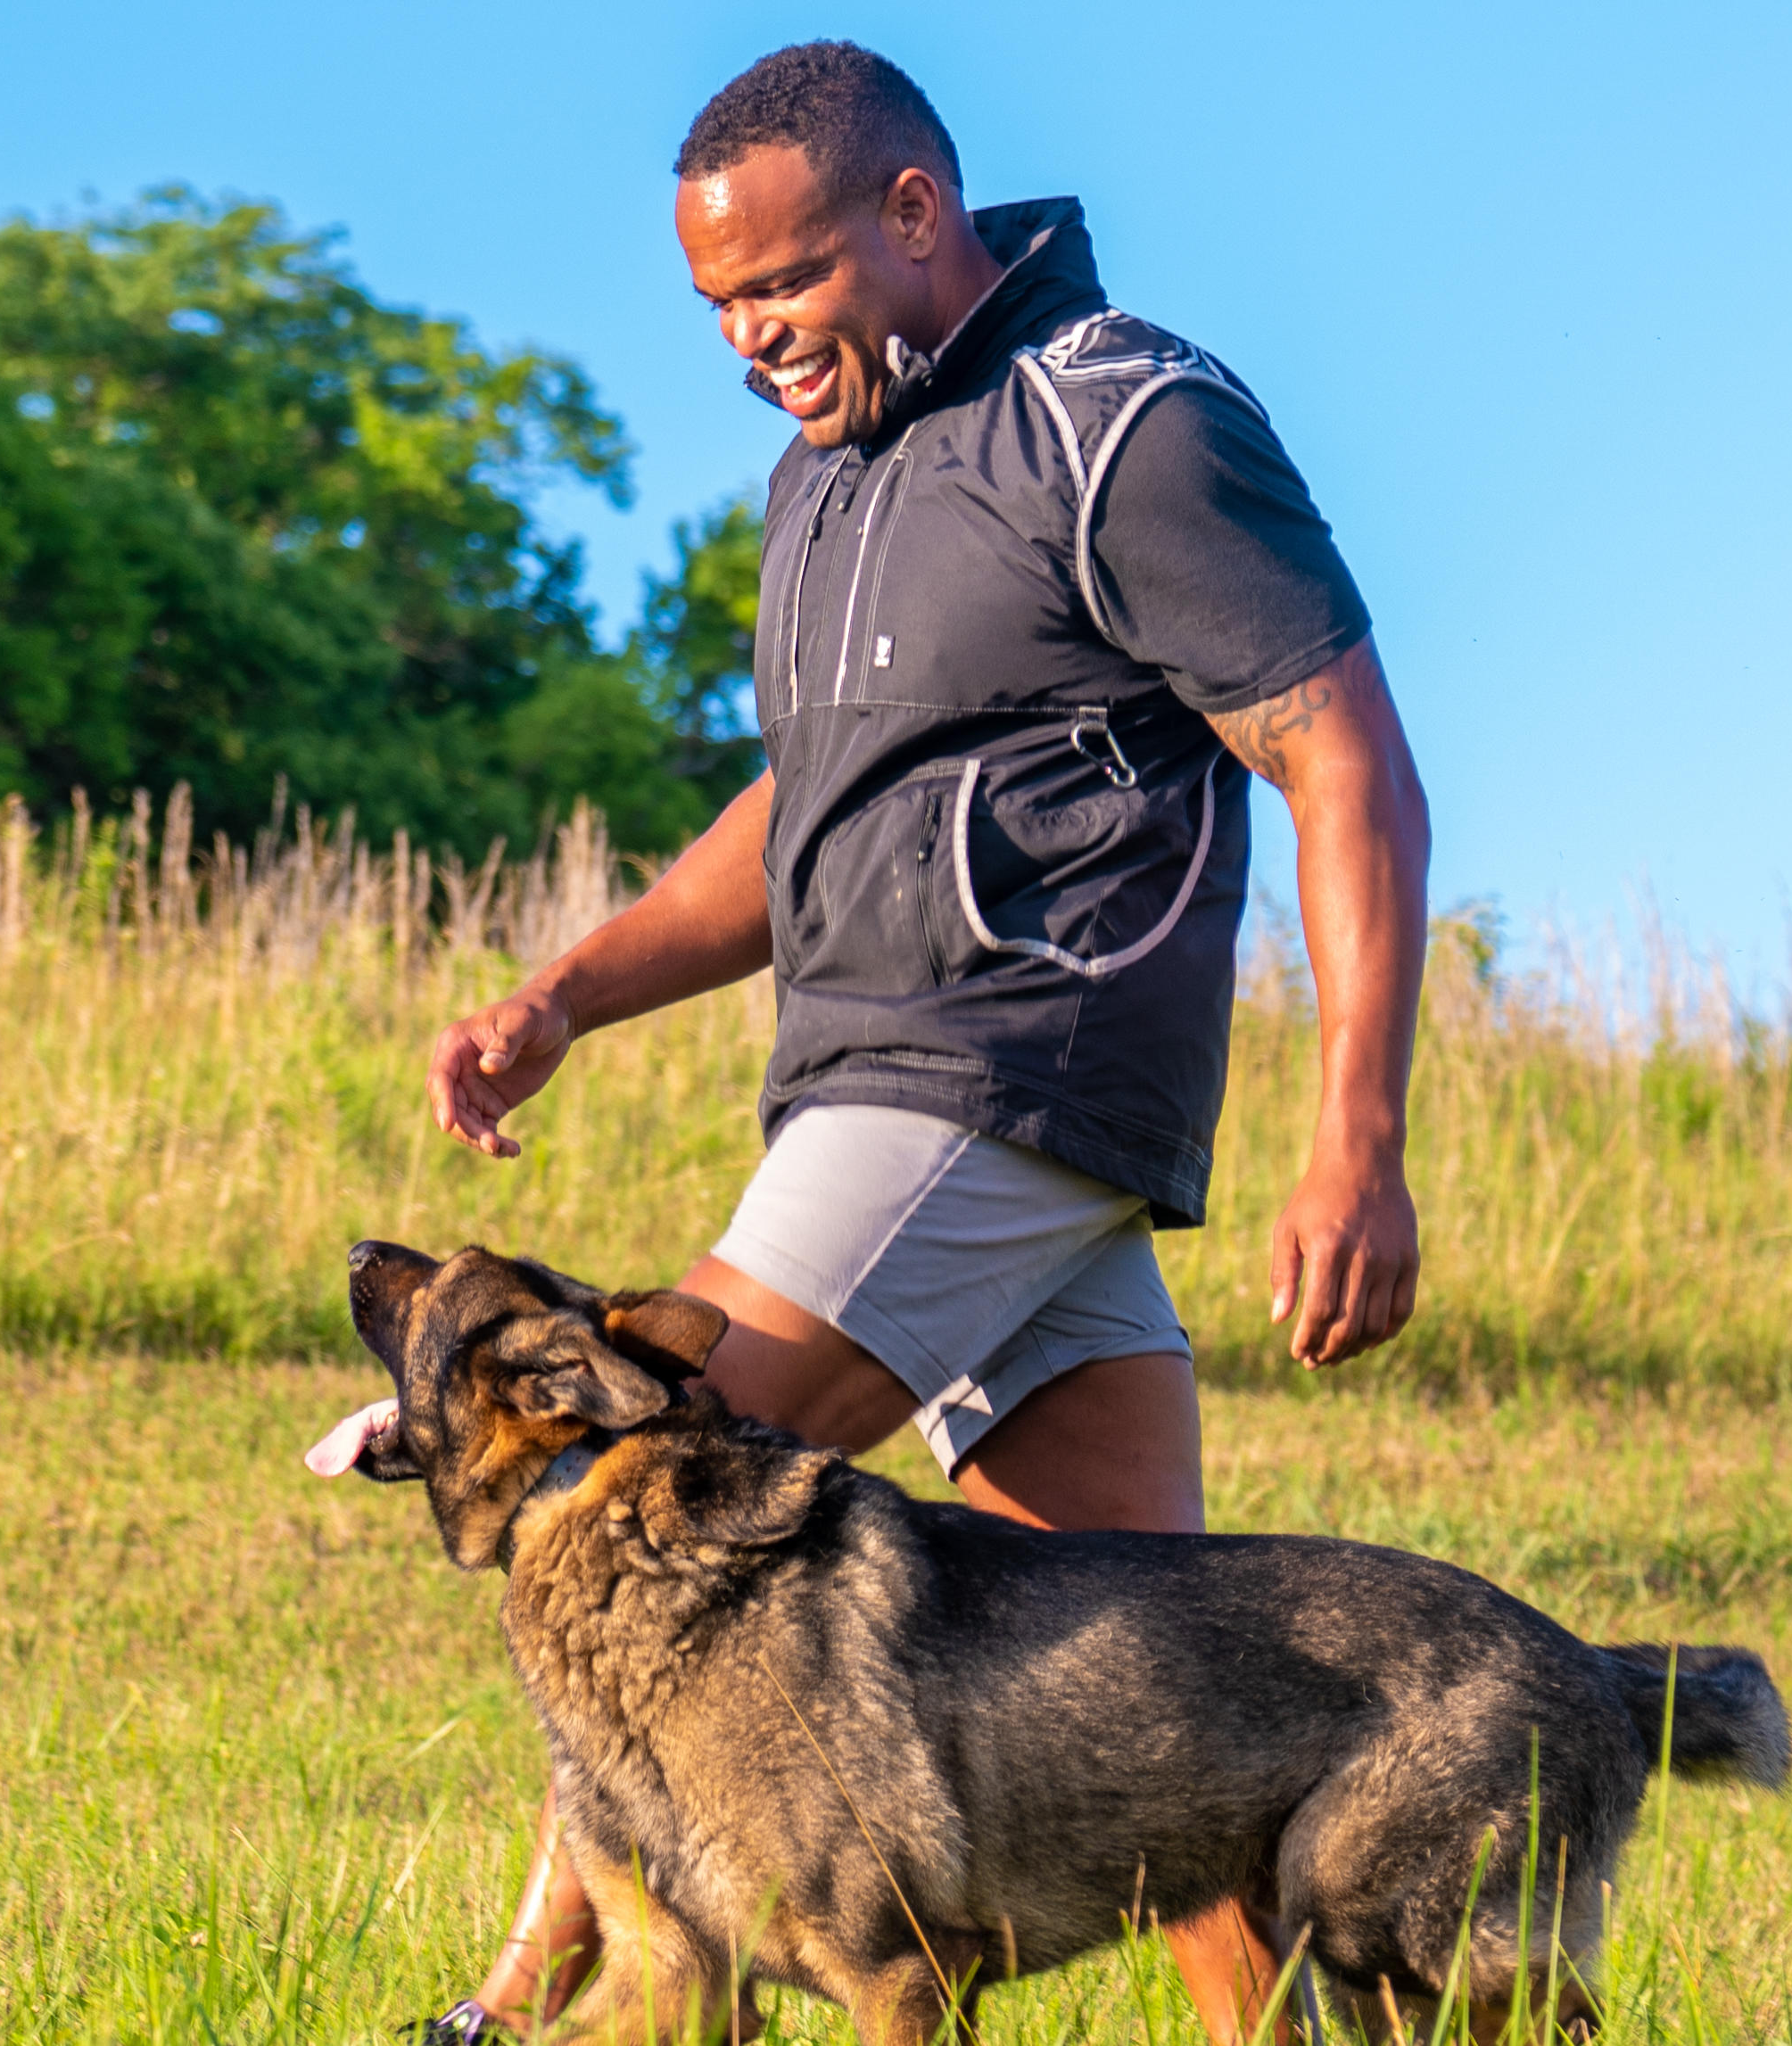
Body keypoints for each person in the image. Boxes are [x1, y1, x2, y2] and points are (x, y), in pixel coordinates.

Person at [303, 40, 1431, 2046]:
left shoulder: (1128, 426)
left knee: (632, 1509)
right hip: (974, 1140)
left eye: (784, 286)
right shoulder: (823, 486)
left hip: (981, 1082)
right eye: (718, 308)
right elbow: (799, 812)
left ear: (914, 212)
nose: (752, 339)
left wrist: (1357, 1130)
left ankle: (525, 2010)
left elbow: (1338, 752)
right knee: (1162, 1711)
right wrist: (569, 991)